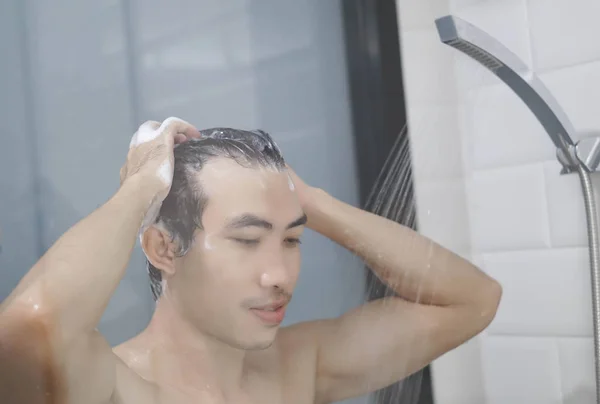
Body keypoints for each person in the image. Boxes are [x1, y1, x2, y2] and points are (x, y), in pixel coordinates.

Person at [0, 117, 502, 404]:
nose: (279, 276)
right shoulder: (113, 388)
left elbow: (471, 301)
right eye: (246, 240)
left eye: (291, 241)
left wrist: (311, 203)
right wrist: (140, 188)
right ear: (163, 249)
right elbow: (30, 325)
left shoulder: (297, 370)